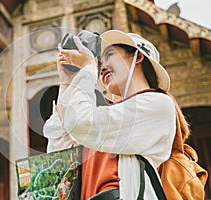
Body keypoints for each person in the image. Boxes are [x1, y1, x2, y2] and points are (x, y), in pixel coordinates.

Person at [43, 29, 178, 199]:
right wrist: (67, 82)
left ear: (138, 56)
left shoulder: (158, 105)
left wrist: (87, 69)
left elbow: (81, 123)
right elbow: (58, 156)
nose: (101, 66)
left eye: (109, 55)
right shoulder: (108, 119)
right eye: (99, 61)